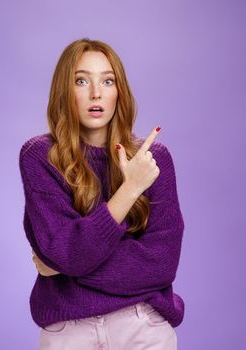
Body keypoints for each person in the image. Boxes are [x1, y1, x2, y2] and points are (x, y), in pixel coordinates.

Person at [19, 37, 185, 349]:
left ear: (119, 91)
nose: (96, 93)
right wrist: (132, 187)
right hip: (69, 332)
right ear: (63, 91)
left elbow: (161, 264)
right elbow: (64, 252)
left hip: (141, 327)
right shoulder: (39, 157)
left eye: (107, 81)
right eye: (81, 80)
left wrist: (63, 264)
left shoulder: (153, 159)